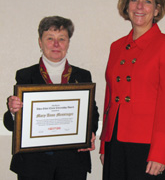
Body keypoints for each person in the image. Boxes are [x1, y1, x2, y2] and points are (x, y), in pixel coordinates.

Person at [99, 0, 165, 180]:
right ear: (126, 5)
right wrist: (104, 143)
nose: (139, 6)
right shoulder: (116, 47)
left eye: (148, 1)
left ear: (156, 9)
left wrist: (160, 152)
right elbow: (109, 98)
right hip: (115, 142)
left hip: (147, 146)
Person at [4, 16, 99, 180]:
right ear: (40, 43)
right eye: (50, 38)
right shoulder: (26, 76)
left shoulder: (82, 76)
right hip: (34, 164)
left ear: (68, 43)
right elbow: (9, 124)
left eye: (62, 38)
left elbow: (93, 114)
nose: (56, 44)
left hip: (72, 163)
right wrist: (13, 112)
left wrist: (90, 132)